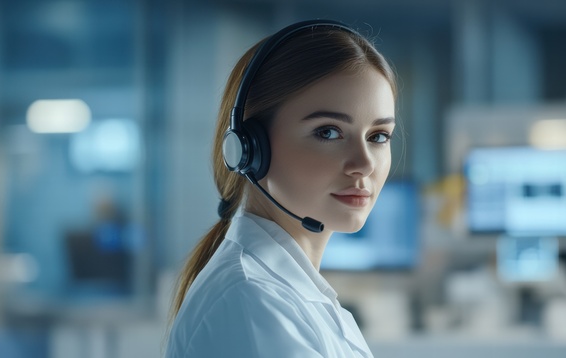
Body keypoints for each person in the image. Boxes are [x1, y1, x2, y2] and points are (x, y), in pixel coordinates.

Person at [165, 20, 396, 358]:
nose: (364, 163)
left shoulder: (288, 292)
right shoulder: (250, 301)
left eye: (378, 137)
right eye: (329, 132)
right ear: (250, 147)